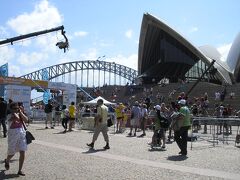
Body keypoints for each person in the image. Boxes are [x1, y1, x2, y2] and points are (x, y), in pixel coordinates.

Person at [4, 102, 28, 176]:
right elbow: (16, 118)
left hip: (21, 134)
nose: (16, 109)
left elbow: (26, 120)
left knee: (22, 151)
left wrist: (21, 112)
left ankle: (19, 170)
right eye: (14, 108)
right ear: (11, 109)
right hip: (13, 135)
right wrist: (15, 112)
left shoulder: (20, 114)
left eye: (17, 108)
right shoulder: (9, 115)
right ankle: (7, 160)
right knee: (12, 152)